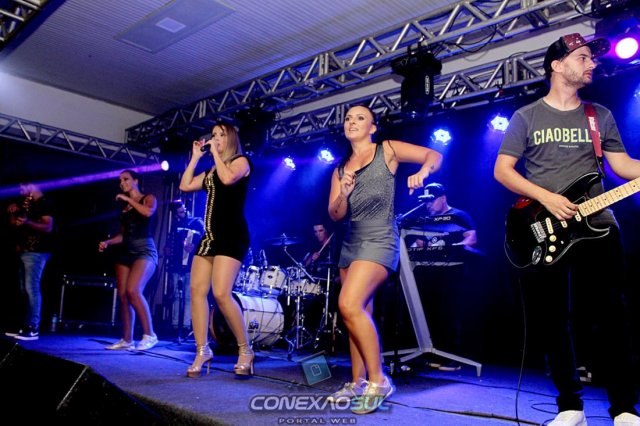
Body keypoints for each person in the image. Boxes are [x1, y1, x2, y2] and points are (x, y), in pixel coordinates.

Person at [494, 33, 640, 426]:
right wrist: (548, 197)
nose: (591, 63)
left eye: (591, 58)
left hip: (599, 225)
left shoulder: (599, 115)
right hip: (545, 228)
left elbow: (622, 165)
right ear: (557, 66)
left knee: (612, 318)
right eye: (582, 57)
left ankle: (625, 409)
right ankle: (570, 408)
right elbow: (503, 170)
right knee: (552, 320)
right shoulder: (526, 116)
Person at [326, 105, 442, 414]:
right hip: (351, 240)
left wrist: (422, 172)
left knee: (349, 304)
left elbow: (434, 155)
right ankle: (358, 382)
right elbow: (335, 214)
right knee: (356, 313)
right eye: (348, 118)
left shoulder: (386, 149)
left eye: (360, 118)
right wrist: (344, 193)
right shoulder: (340, 169)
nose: (352, 122)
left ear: (372, 127)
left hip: (379, 237)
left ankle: (379, 380)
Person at [178, 121, 254, 378]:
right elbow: (185, 185)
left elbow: (228, 178)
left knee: (221, 293)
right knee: (196, 291)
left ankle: (245, 349)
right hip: (210, 236)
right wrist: (195, 158)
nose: (216, 139)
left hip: (232, 234)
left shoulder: (242, 162)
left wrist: (215, 155)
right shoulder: (211, 170)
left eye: (221, 135)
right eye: (213, 135)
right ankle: (202, 349)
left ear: (231, 139)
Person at [411, 182, 478, 372]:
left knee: (449, 313)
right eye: (426, 202)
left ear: (443, 198)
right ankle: (430, 355)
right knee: (428, 312)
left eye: (431, 201)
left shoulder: (459, 215)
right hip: (429, 271)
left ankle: (451, 357)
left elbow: (472, 238)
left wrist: (455, 247)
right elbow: (420, 242)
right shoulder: (426, 218)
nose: (428, 205)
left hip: (452, 272)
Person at [99, 170, 159, 351]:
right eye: (120, 181)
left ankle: (150, 335)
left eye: (126, 179)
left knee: (133, 290)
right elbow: (123, 236)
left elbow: (147, 212)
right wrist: (108, 242)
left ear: (136, 181)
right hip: (125, 252)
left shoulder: (148, 198)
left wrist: (129, 200)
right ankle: (127, 340)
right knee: (123, 295)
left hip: (144, 251)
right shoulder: (124, 208)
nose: (122, 183)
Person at [4, 182, 54, 341]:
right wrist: (13, 213)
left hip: (37, 251)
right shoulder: (27, 204)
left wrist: (27, 222)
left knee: (31, 288)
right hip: (24, 251)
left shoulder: (44, 203)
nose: (20, 191)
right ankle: (24, 325)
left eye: (22, 187)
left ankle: (33, 327)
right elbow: (15, 224)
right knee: (23, 289)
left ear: (31, 185)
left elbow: (48, 227)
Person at [165, 200, 204, 333]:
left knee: (188, 295)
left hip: (192, 263)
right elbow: (171, 242)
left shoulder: (197, 222)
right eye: (180, 212)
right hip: (177, 264)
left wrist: (194, 246)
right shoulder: (175, 225)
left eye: (184, 210)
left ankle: (187, 324)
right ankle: (175, 324)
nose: (184, 213)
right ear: (176, 214)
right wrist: (168, 248)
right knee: (176, 295)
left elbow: (205, 239)